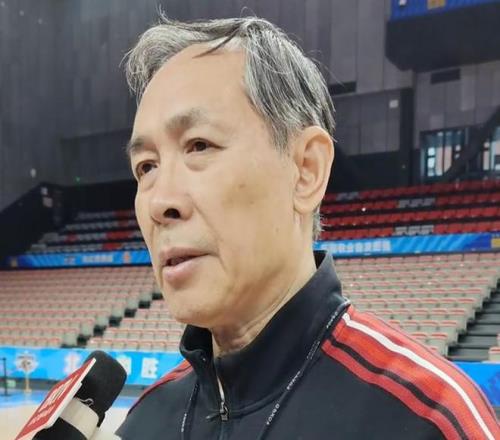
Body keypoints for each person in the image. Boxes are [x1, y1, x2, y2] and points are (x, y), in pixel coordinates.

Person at [116, 15, 499, 440]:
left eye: (199, 145)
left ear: (306, 170)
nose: (160, 202)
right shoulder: (143, 422)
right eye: (146, 166)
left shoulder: (430, 419)